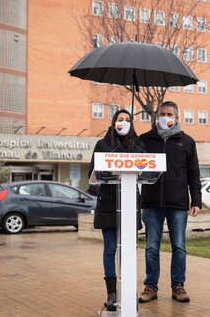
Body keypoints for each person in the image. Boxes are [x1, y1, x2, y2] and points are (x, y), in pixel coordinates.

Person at [138, 101, 202, 303]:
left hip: (178, 204)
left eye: (169, 114)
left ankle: (178, 286)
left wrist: (197, 201)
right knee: (151, 248)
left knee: (179, 247)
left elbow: (194, 174)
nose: (166, 117)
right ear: (157, 117)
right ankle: (151, 286)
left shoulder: (187, 142)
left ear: (177, 117)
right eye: (162, 114)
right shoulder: (144, 140)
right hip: (151, 203)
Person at [88, 109, 146, 311]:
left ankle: (129, 291)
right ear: (113, 123)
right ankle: (111, 293)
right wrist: (109, 169)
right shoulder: (103, 145)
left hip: (130, 204)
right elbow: (92, 173)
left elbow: (147, 169)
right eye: (120, 120)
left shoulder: (138, 145)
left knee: (128, 250)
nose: (124, 123)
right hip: (109, 204)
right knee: (110, 249)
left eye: (128, 120)